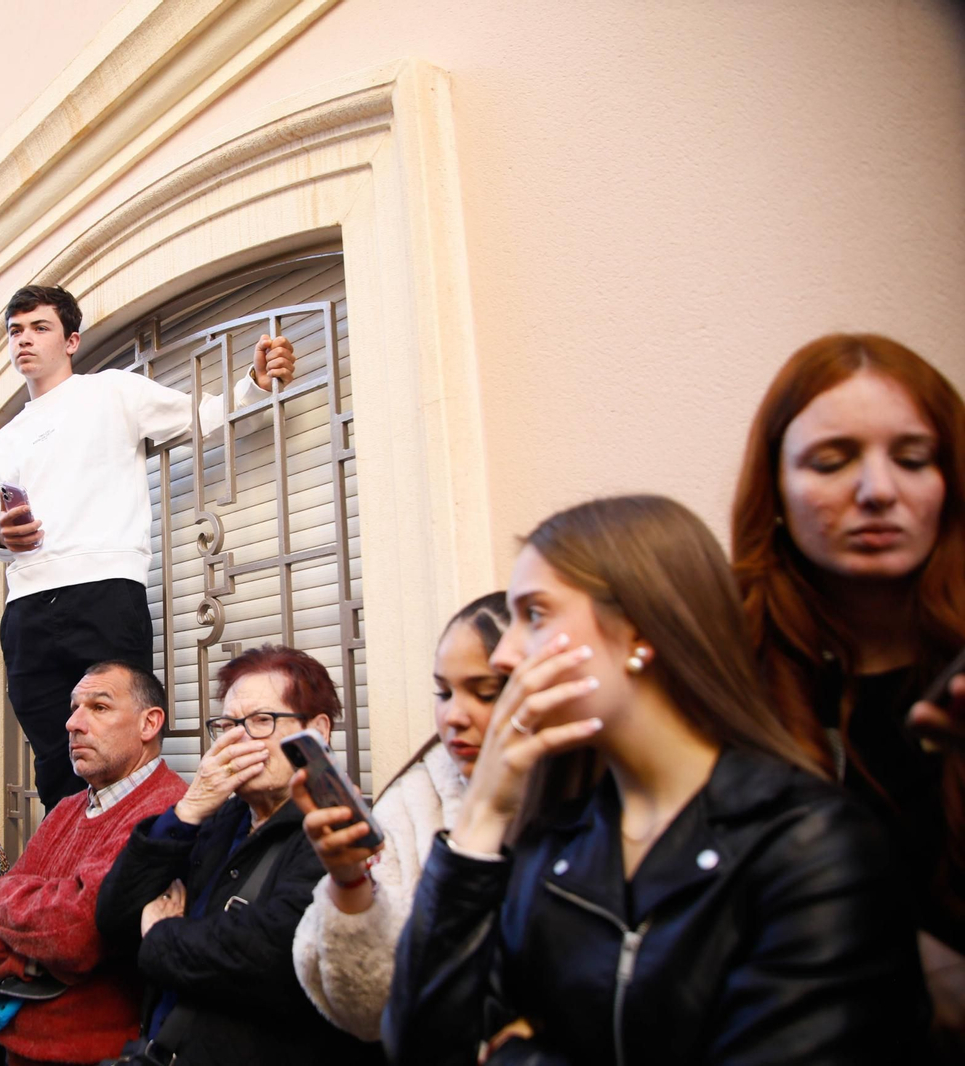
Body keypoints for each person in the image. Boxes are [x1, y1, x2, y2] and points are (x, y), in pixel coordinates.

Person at [383, 495, 923, 1064]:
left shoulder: (808, 844)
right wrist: (480, 819)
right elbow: (422, 1046)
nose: (507, 656)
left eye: (535, 615)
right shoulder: (557, 839)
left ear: (640, 629)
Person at [731, 332, 965, 1049]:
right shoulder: (725, 673)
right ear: (774, 490)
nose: (877, 491)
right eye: (832, 462)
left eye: (913, 459)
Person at [0, 284, 295, 809]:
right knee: (55, 757)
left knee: (123, 745)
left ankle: (138, 864)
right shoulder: (6, 437)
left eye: (40, 328)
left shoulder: (112, 392)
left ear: (71, 340)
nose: (25, 340)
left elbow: (201, 417)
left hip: (104, 592)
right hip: (26, 608)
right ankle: (72, 873)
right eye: (16, 331)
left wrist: (255, 384)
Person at [94, 645, 381, 1065]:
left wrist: (159, 936)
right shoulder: (219, 818)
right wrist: (189, 808)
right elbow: (115, 917)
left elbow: (275, 957)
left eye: (262, 721)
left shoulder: (334, 831)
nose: (239, 739)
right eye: (228, 724)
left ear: (316, 731)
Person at [290, 591, 509, 1042]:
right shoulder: (413, 801)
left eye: (484, 692)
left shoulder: (603, 805)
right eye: (443, 693)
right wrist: (349, 884)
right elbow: (368, 1008)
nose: (455, 716)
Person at [0, 660, 187, 1065]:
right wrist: (38, 951)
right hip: (12, 1045)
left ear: (149, 723)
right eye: (74, 707)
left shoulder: (167, 810)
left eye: (99, 707)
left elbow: (77, 935)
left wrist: (13, 905)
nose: (73, 722)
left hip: (95, 1055)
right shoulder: (67, 808)